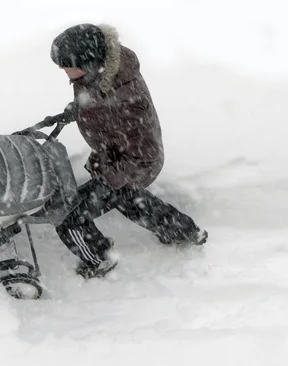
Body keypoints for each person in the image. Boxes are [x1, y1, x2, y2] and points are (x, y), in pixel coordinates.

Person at [49, 23, 208, 279]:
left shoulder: (126, 100)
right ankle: (184, 231)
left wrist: (111, 177)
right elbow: (98, 102)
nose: (61, 68)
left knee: (68, 217)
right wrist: (78, 109)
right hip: (119, 157)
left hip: (132, 164)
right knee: (130, 200)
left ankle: (100, 258)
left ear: (88, 64)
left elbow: (141, 153)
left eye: (66, 64)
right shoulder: (103, 70)